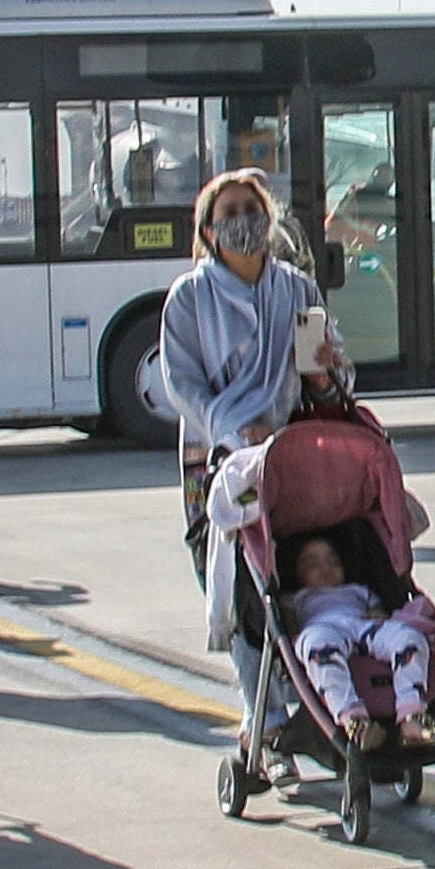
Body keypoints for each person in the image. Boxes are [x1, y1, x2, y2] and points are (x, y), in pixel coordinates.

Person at [162, 167, 318, 570]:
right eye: (228, 213)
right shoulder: (189, 297)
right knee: (224, 559)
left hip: (285, 450)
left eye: (252, 208)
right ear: (209, 233)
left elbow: (324, 374)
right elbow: (183, 383)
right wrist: (235, 434)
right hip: (215, 452)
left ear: (269, 219)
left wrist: (325, 373)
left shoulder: (297, 289)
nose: (243, 219)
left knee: (287, 563)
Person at [278, 529, 435, 749]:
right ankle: (354, 719)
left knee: (410, 638)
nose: (325, 567)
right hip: (319, 629)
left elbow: (378, 611)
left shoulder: (359, 590)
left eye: (332, 560)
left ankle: (411, 713)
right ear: (297, 573)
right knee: (316, 646)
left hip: (363, 626)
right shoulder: (296, 598)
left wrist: (378, 614)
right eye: (311, 563)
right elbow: (289, 628)